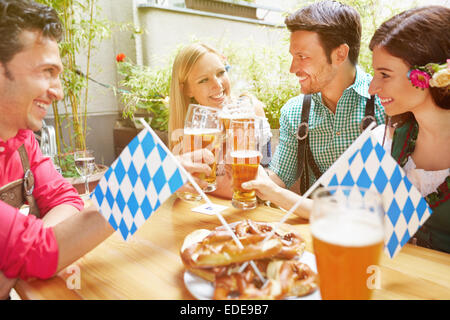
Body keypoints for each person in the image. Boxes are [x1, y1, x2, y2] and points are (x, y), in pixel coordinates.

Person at [0, 0, 113, 299]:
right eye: (46, 71)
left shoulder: (23, 141)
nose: (60, 92)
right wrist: (151, 176)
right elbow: (43, 253)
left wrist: (19, 256)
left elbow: (66, 198)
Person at [243, 0, 385, 219]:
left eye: (302, 57)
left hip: (373, 237)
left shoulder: (386, 104)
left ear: (340, 54)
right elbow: (279, 177)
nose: (292, 68)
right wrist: (244, 170)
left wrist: (273, 192)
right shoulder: (295, 112)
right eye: (293, 56)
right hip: (316, 237)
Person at [368, 6, 450, 253]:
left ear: (431, 75)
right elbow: (348, 212)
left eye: (385, 75)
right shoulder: (387, 139)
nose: (372, 87)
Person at [168, 42, 271, 199]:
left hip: (245, 213)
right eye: (204, 80)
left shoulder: (248, 109)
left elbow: (254, 184)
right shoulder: (192, 122)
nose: (217, 84)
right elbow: (186, 189)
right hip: (202, 213)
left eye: (221, 73)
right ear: (187, 89)